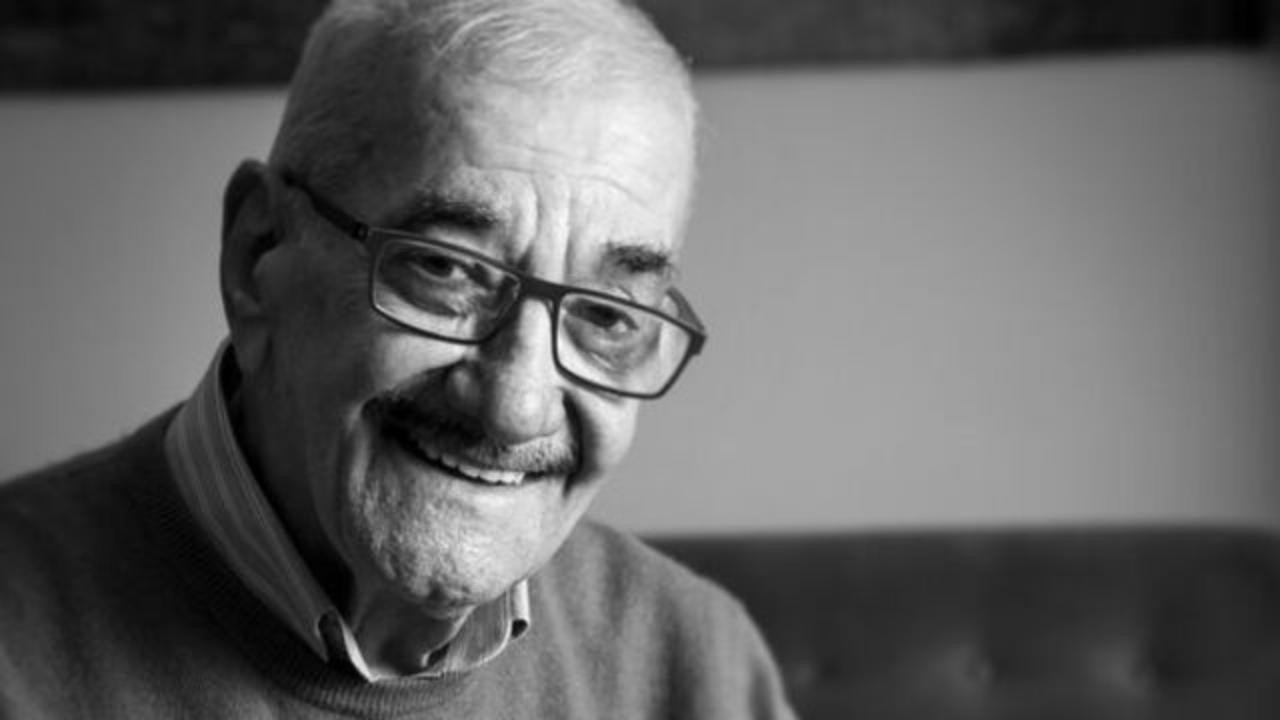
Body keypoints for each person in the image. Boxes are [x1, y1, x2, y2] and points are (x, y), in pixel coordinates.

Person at [0, 0, 796, 717]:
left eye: (606, 316)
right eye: (445, 269)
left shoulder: (698, 666)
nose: (516, 407)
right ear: (259, 254)